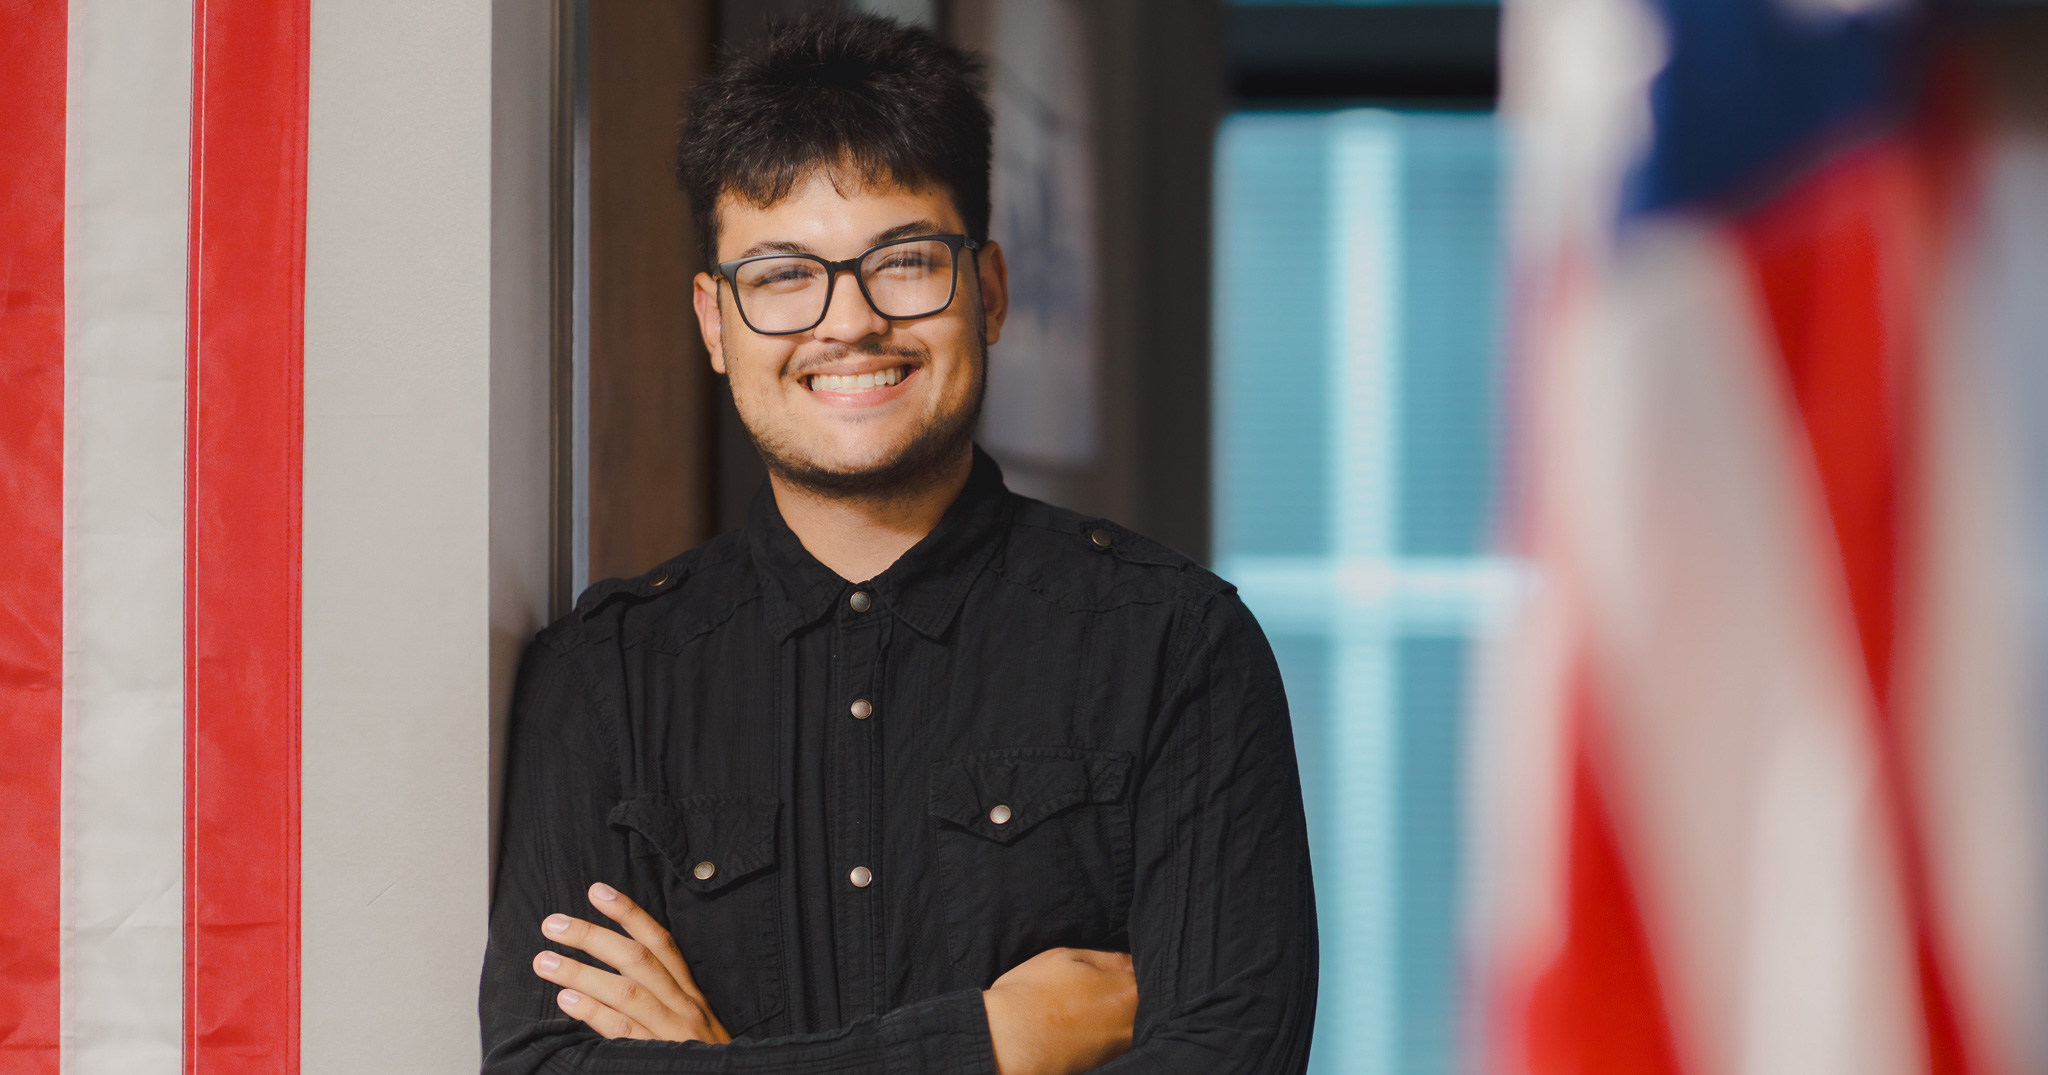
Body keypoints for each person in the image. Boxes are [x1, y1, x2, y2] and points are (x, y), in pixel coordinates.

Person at [478, 13, 1316, 1074]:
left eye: (904, 260)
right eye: (782, 275)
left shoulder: (1178, 647)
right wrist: (987, 1042)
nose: (848, 323)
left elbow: (1225, 1058)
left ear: (990, 288)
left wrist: (716, 1060)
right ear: (713, 325)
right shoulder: (602, 679)